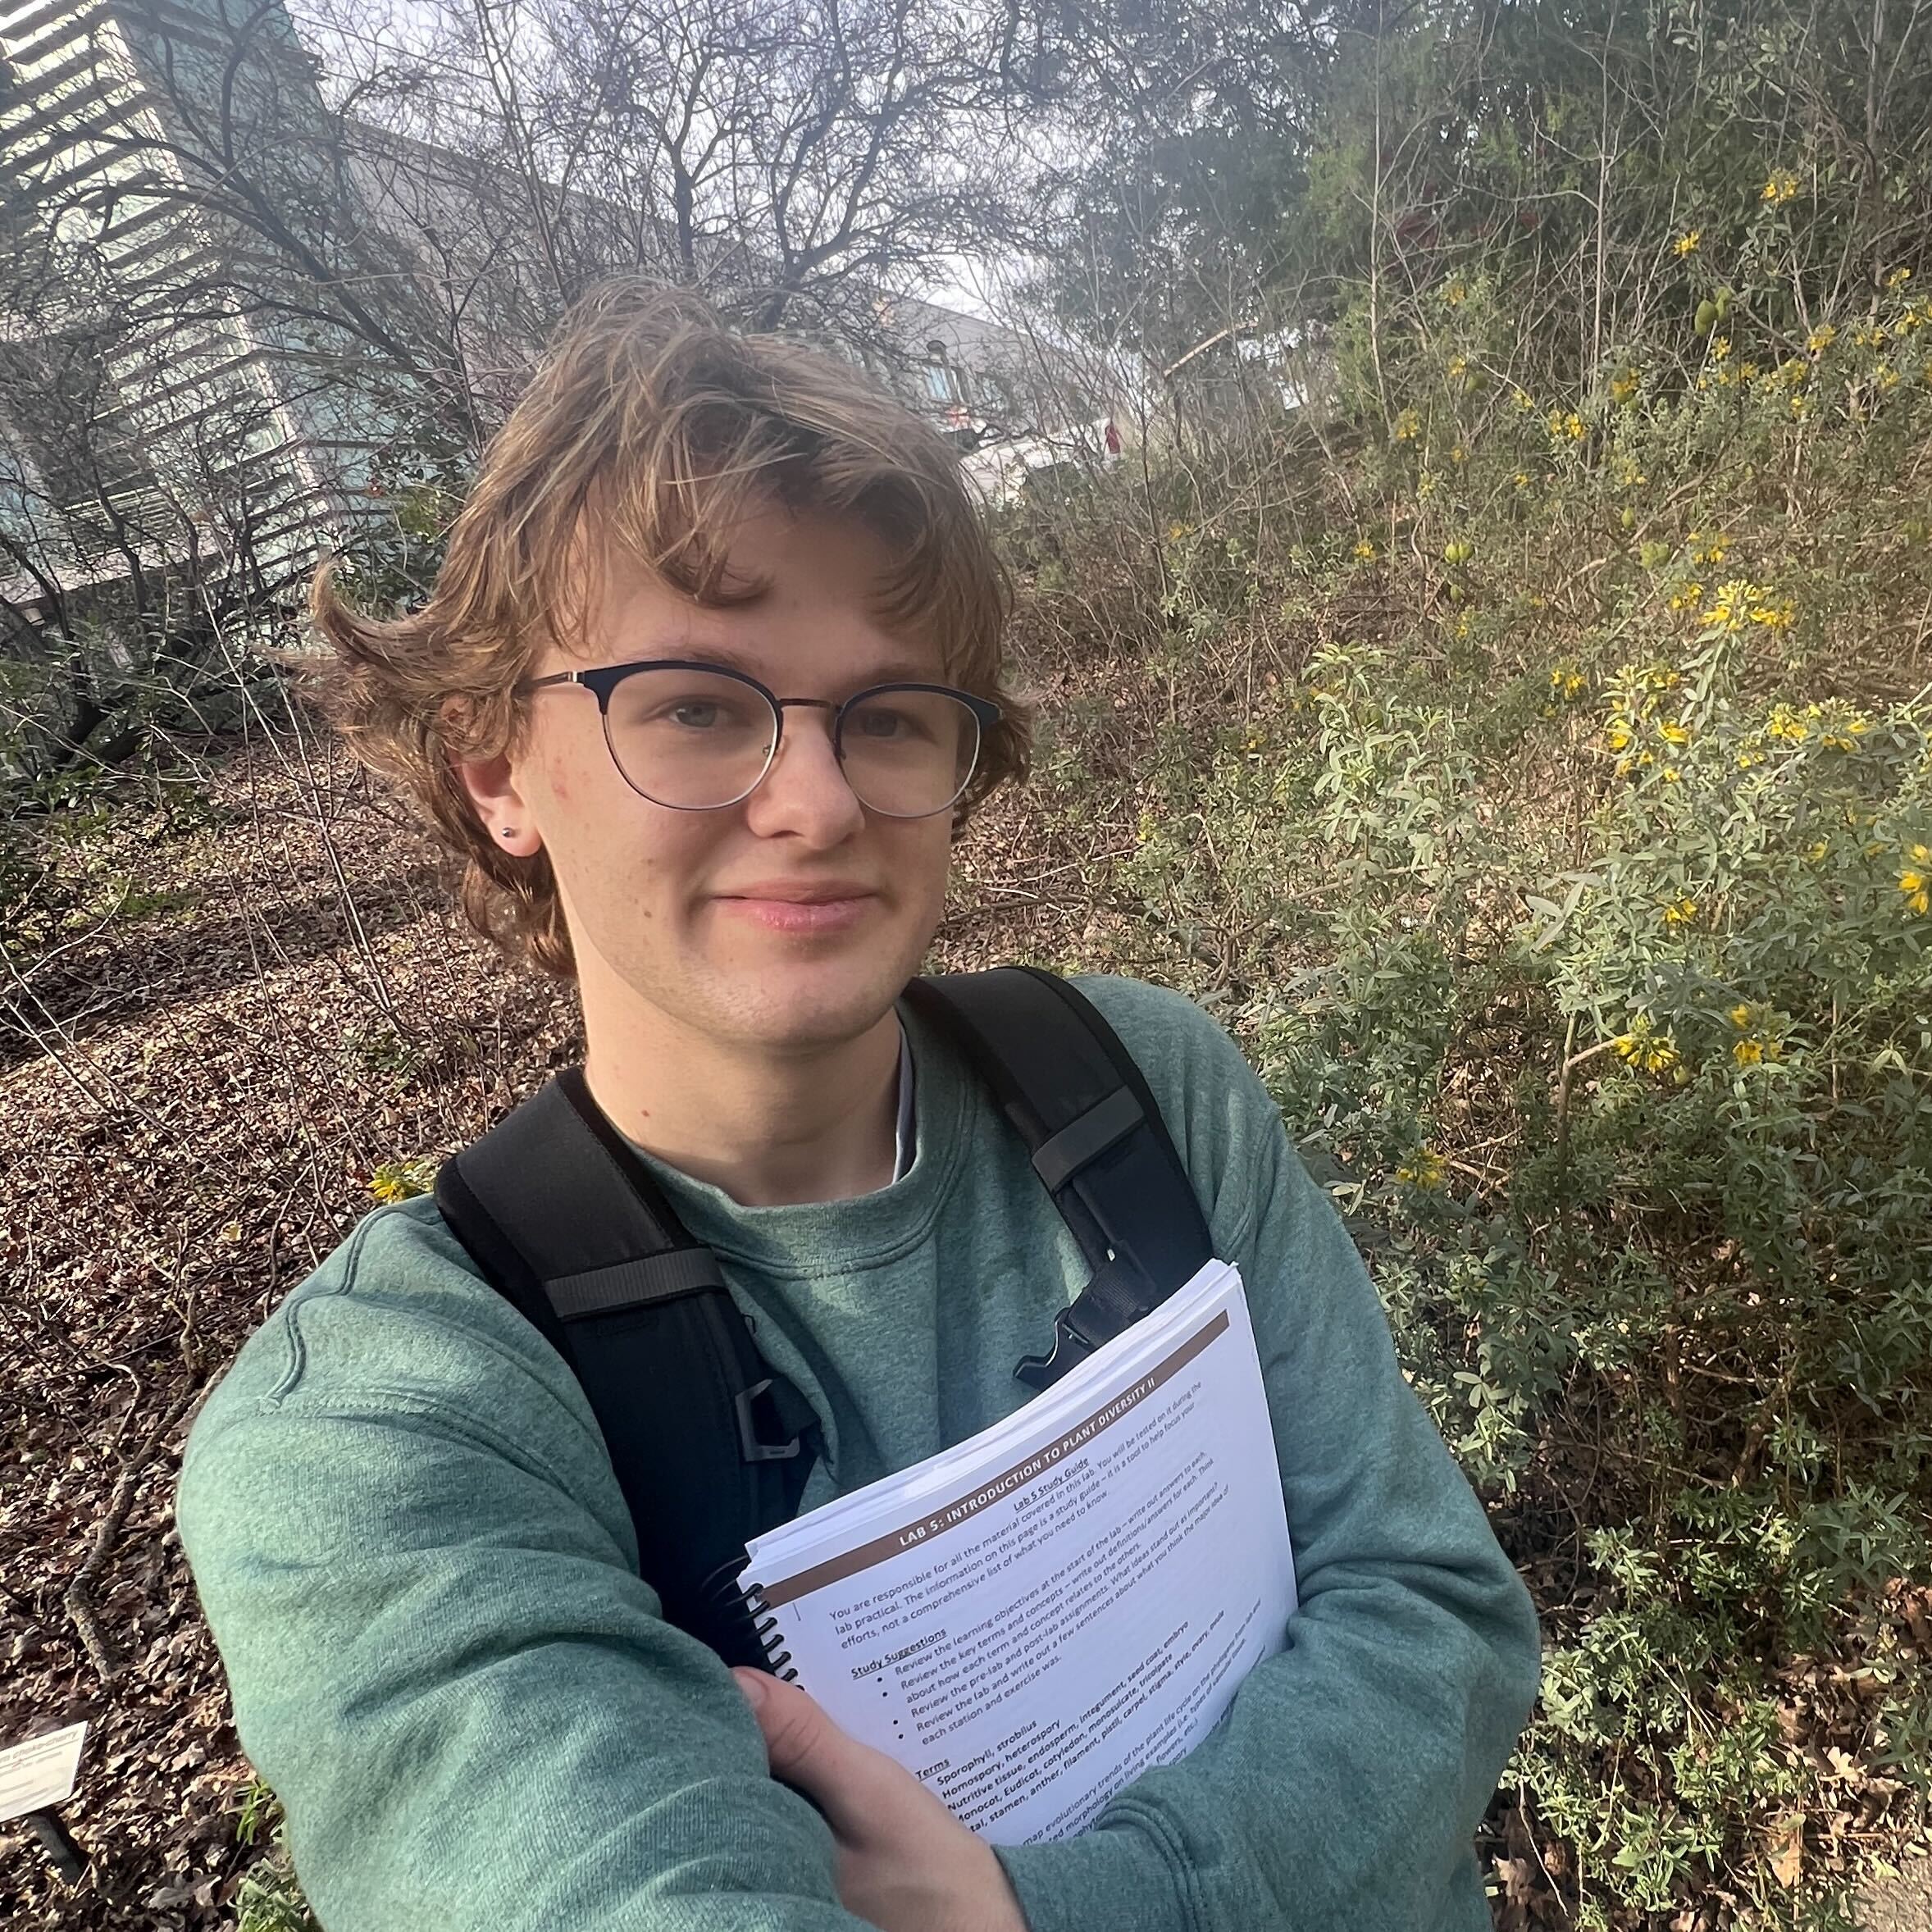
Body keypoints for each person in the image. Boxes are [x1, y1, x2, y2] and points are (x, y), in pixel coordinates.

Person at [176, 282, 1540, 1932]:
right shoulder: (388, 1427)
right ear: (493, 767)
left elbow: (1430, 1611)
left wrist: (1054, 1910)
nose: (816, 802)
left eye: (887, 718)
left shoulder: (1139, 1092)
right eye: (693, 704)